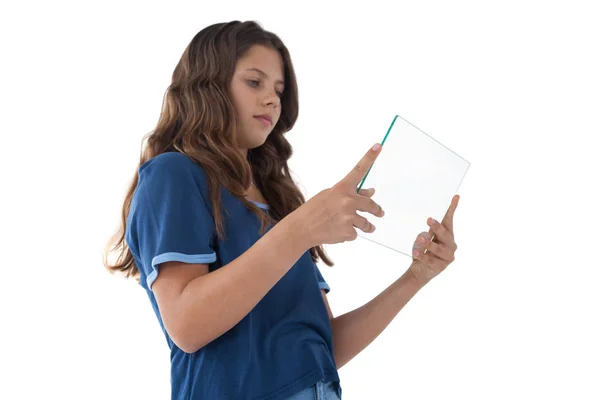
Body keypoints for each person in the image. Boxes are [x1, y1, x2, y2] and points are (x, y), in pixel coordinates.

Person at [103, 20, 460, 400]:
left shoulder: (276, 204)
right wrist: (299, 230)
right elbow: (187, 325)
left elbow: (323, 349)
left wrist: (415, 277)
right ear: (208, 85)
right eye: (254, 82)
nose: (273, 99)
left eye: (278, 89)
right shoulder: (174, 174)